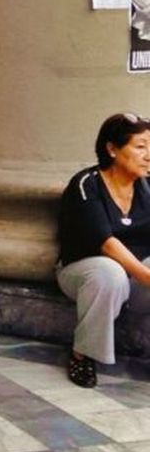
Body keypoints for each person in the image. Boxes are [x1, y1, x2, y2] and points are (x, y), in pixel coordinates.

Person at [57, 113, 150, 387]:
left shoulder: (148, 187)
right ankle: (82, 354)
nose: (149, 155)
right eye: (141, 147)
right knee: (109, 273)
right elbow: (105, 242)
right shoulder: (87, 184)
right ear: (112, 149)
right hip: (86, 273)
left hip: (136, 279)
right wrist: (146, 276)